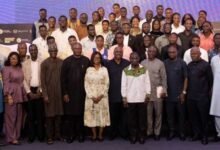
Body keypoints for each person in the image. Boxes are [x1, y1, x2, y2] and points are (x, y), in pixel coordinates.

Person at [61, 43, 90, 143]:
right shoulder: (67, 61)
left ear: (81, 49)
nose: (78, 49)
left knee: (81, 115)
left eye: (79, 48)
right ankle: (71, 135)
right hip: (70, 94)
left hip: (83, 93)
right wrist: (65, 93)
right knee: (70, 116)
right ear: (72, 49)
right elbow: (63, 79)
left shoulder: (86, 61)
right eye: (76, 48)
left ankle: (81, 134)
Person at [121, 52, 151, 144]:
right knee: (131, 120)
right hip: (130, 99)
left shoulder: (144, 69)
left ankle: (141, 136)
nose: (134, 60)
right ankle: (133, 136)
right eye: (132, 58)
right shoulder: (125, 70)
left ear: (139, 59)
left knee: (142, 120)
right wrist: (124, 97)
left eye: (136, 58)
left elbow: (147, 83)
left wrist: (148, 94)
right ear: (130, 59)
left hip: (142, 99)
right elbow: (123, 85)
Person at [187, 47, 213, 145]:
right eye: (191, 54)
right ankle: (196, 134)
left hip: (202, 96)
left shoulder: (206, 65)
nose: (193, 56)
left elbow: (210, 81)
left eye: (195, 54)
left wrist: (207, 94)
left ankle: (204, 136)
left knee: (203, 118)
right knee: (193, 117)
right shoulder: (189, 65)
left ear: (200, 54)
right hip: (191, 96)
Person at [141, 45, 167, 141]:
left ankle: (157, 132)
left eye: (153, 51)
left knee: (158, 113)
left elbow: (164, 78)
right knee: (148, 113)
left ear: (156, 53)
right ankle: (149, 131)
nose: (151, 53)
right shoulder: (143, 63)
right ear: (147, 52)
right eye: (149, 51)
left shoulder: (160, 63)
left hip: (158, 90)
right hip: (147, 91)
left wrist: (164, 90)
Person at [84, 52, 110, 141]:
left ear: (101, 59)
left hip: (102, 97)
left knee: (102, 115)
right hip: (91, 97)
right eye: (95, 58)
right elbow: (86, 84)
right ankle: (94, 134)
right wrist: (91, 96)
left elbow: (107, 83)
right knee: (91, 116)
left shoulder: (104, 69)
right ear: (92, 59)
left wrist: (101, 95)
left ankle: (100, 135)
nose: (97, 59)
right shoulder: (88, 69)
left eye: (98, 58)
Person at [2, 52, 27, 145]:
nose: (14, 60)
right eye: (12, 58)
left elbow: (22, 81)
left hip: (20, 94)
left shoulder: (19, 68)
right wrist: (8, 96)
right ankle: (11, 138)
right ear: (9, 59)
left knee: (19, 117)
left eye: (16, 58)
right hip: (11, 95)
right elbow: (5, 82)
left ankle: (16, 136)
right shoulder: (6, 69)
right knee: (11, 117)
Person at [41, 43, 63, 144]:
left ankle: (57, 135)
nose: (53, 52)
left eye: (55, 50)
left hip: (59, 93)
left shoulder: (61, 62)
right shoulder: (44, 63)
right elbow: (43, 81)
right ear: (49, 52)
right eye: (51, 51)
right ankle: (49, 136)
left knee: (59, 115)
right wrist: (45, 94)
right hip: (49, 93)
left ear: (57, 51)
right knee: (49, 116)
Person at [164, 46, 188, 141]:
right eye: (170, 52)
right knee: (170, 116)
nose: (171, 54)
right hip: (168, 95)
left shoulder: (182, 63)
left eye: (173, 52)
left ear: (177, 52)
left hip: (180, 94)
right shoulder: (165, 63)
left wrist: (184, 92)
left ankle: (181, 132)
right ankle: (171, 131)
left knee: (181, 115)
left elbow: (186, 78)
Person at [106, 47, 130, 140]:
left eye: (120, 51)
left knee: (124, 116)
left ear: (123, 52)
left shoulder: (127, 63)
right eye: (116, 51)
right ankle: (113, 133)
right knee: (113, 115)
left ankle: (124, 133)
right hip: (112, 94)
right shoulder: (108, 64)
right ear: (113, 53)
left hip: (125, 95)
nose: (118, 53)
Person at [23, 44, 44, 143]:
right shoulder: (25, 63)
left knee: (40, 115)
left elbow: (44, 79)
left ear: (37, 50)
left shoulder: (42, 62)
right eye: (31, 50)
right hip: (29, 91)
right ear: (29, 51)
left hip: (39, 90)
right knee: (30, 116)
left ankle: (40, 136)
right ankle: (31, 136)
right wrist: (28, 92)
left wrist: (41, 91)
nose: (33, 52)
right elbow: (23, 80)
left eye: (35, 50)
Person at [210, 54, 220, 141]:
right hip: (217, 89)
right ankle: (219, 133)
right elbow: (212, 74)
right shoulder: (214, 59)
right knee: (217, 112)